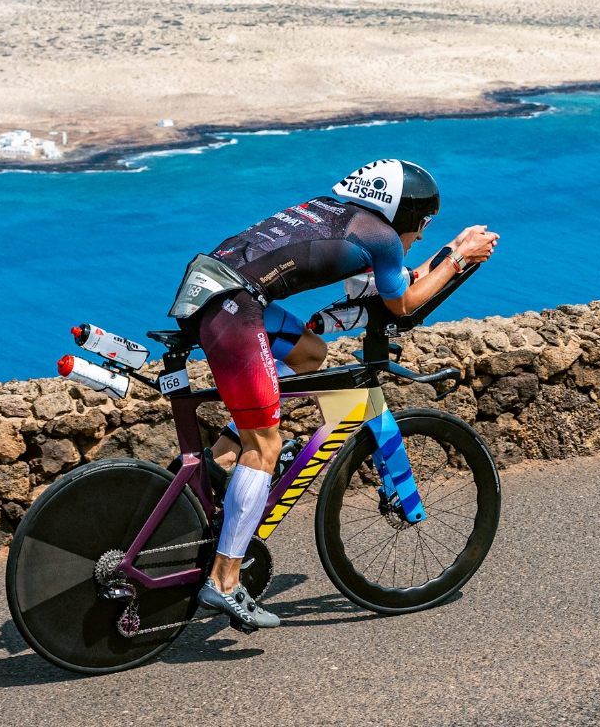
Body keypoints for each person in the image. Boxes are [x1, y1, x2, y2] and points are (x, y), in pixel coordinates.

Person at [165, 159, 499, 631]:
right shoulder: (380, 237)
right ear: (401, 214)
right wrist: (461, 258)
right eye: (422, 225)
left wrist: (452, 250)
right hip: (233, 306)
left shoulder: (342, 216)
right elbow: (403, 305)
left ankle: (222, 456)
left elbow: (396, 287)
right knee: (267, 445)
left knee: (309, 353)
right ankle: (223, 582)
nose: (421, 235)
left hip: (218, 287)